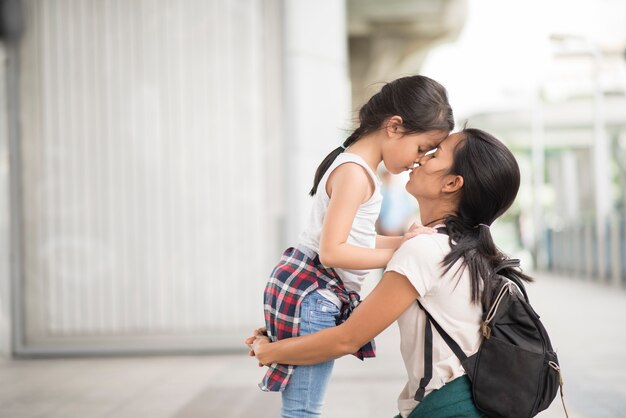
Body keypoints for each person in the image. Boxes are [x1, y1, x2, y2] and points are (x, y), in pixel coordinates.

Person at [248, 128, 533, 418]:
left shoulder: (425, 251)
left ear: (451, 183)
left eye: (435, 154)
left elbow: (348, 337)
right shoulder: (461, 249)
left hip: (451, 408)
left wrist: (269, 351)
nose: (421, 159)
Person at [260, 75, 454, 418]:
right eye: (422, 148)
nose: (419, 160)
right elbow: (332, 252)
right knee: (303, 410)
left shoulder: (358, 169)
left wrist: (403, 241)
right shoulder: (355, 174)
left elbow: (355, 239)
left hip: (308, 287)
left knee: (302, 407)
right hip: (314, 293)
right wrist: (401, 254)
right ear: (394, 127)